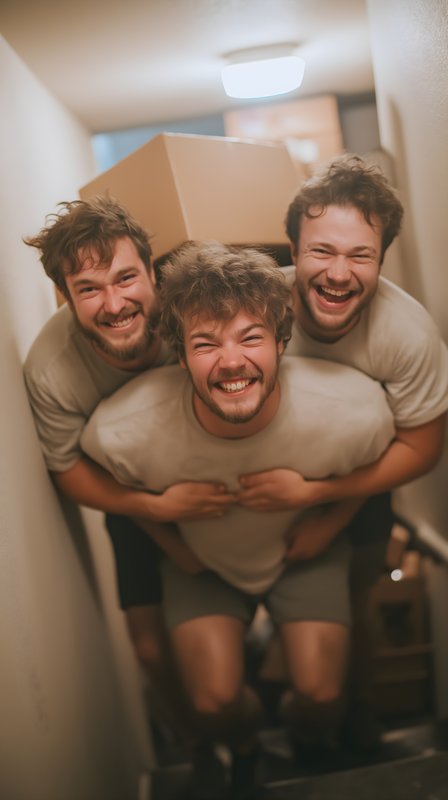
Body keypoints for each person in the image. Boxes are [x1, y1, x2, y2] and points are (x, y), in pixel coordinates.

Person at [81, 241, 396, 799]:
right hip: (202, 563)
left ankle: (305, 737)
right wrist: (165, 530)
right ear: (179, 357)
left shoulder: (355, 411)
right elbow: (114, 488)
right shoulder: (121, 430)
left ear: (282, 342)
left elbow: (380, 470)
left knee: (323, 698)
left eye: (251, 338)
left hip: (306, 551)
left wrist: (328, 516)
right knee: (214, 703)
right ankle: (248, 750)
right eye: (205, 344)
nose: (230, 362)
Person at [237, 154, 448, 748]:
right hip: (249, 486)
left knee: (351, 604)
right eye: (322, 251)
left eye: (361, 255)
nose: (338, 272)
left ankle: (350, 716)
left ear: (383, 259)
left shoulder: (406, 335)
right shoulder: (255, 311)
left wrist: (327, 504)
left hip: (357, 486)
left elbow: (422, 448)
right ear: (292, 249)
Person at [23, 198, 235, 743]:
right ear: (64, 297)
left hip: (234, 471)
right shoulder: (52, 368)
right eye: (89, 289)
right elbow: (67, 469)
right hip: (136, 499)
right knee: (149, 649)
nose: (115, 303)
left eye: (125, 278)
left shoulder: (194, 309)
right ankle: (203, 751)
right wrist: (155, 510)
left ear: (152, 271)